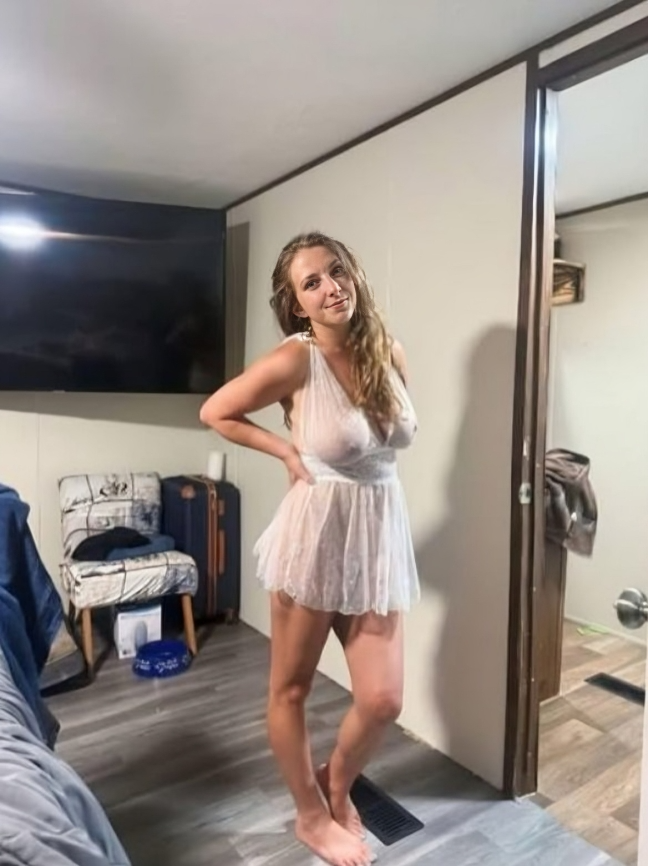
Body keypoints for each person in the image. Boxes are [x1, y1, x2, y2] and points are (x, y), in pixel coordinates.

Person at [200, 232, 419, 866]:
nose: (331, 287)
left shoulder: (388, 350)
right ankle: (309, 816)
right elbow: (217, 411)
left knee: (382, 699)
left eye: (336, 271)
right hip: (315, 536)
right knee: (290, 690)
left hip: (376, 536)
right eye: (312, 283)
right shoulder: (296, 359)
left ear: (354, 274)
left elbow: (387, 444)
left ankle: (336, 782)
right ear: (297, 304)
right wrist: (285, 451)